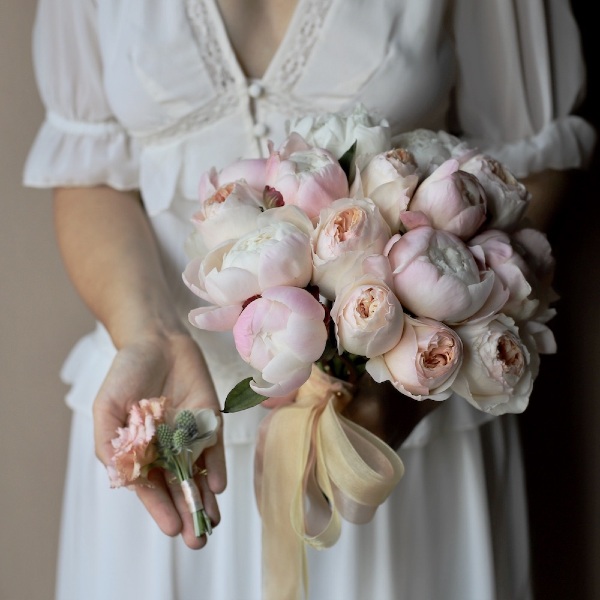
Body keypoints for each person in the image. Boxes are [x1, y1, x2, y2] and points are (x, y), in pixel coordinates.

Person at [23, 1, 596, 599]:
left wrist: (399, 389)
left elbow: (529, 165)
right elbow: (92, 170)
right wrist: (149, 333)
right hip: (175, 426)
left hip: (396, 437)